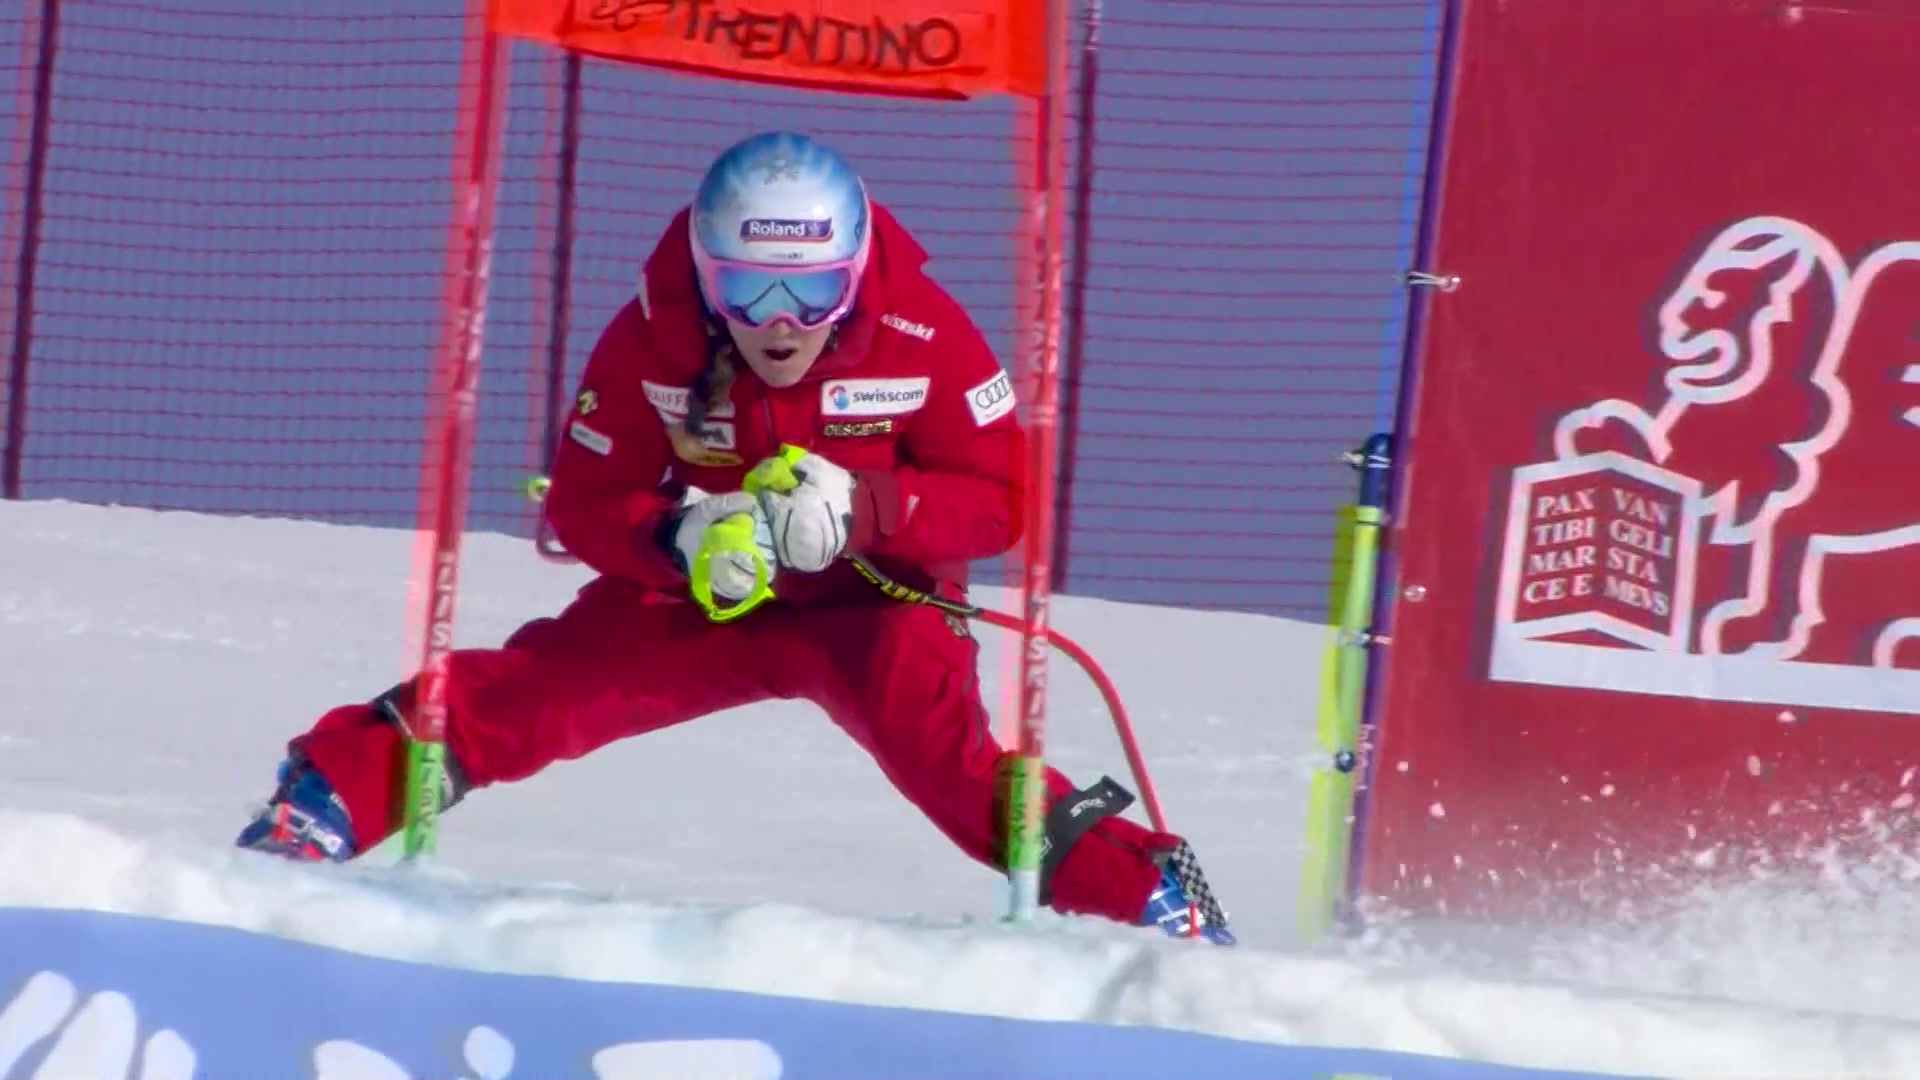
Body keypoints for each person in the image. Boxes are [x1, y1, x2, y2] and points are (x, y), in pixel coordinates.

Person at [236, 131, 1234, 946]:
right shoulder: (654, 336)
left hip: (872, 606)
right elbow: (585, 500)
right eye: (747, 292)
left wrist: (870, 510)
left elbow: (1005, 499)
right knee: (538, 695)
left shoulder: (923, 332)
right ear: (706, 276)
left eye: (813, 291)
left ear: (856, 272)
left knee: (958, 774)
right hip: (710, 597)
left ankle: (1156, 901)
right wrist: (678, 537)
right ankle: (324, 802)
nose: (781, 322)